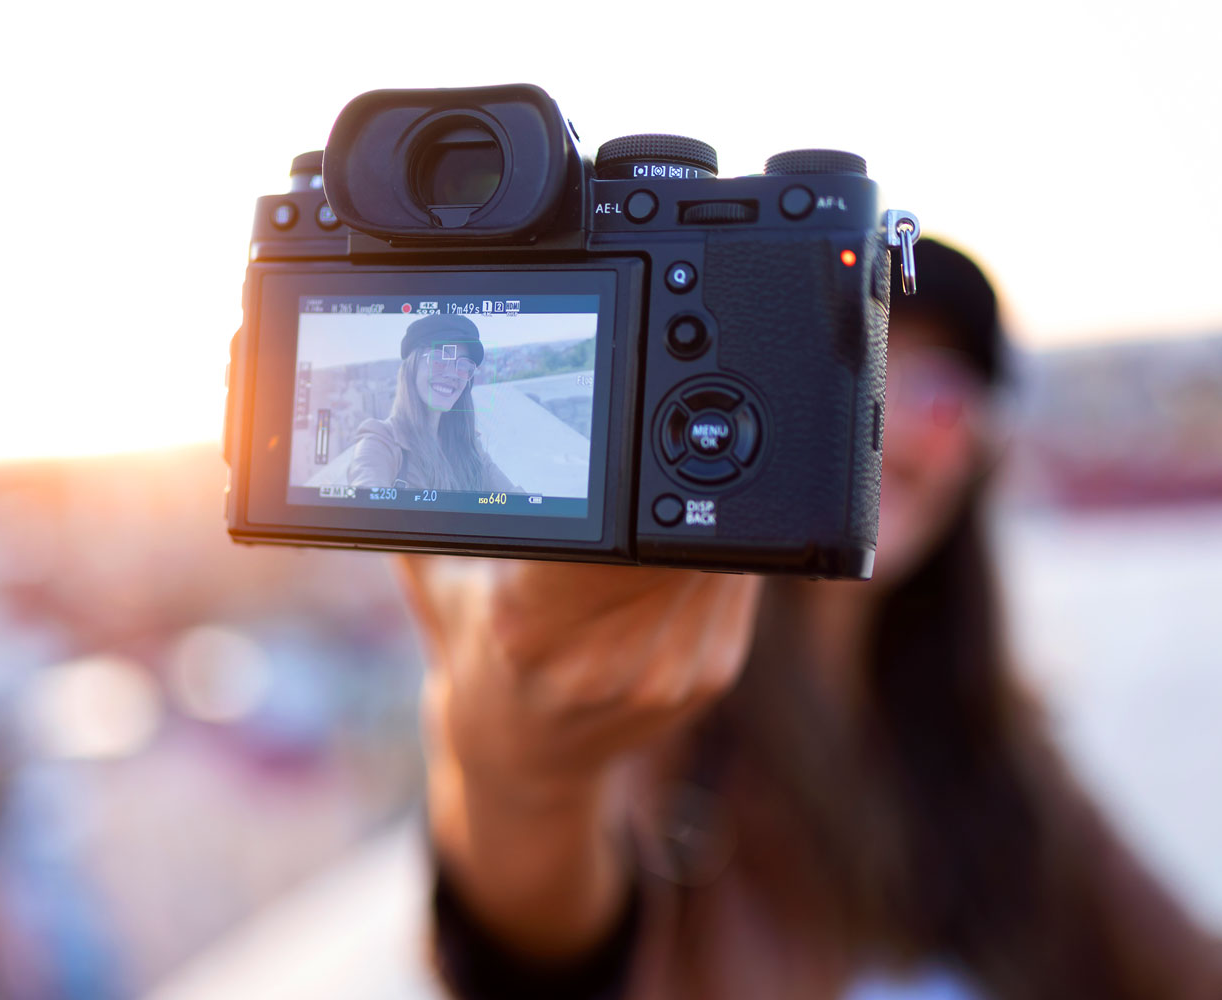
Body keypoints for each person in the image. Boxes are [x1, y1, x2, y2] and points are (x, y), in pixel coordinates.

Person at [401, 240, 1222, 999]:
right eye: (851, 367)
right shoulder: (675, 709)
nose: (882, 426)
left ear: (978, 449)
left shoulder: (1000, 747)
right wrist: (519, 775)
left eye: (935, 397)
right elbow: (538, 939)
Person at [348, 314, 519, 493]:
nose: (452, 374)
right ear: (412, 367)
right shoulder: (381, 441)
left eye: (463, 366)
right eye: (439, 359)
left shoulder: (469, 445)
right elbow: (366, 499)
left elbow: (515, 501)